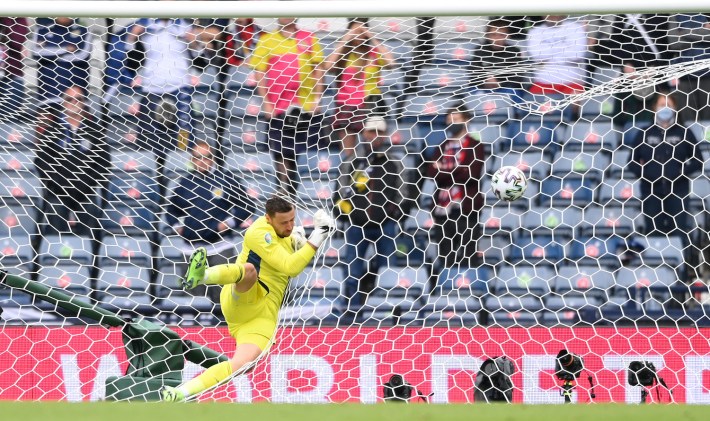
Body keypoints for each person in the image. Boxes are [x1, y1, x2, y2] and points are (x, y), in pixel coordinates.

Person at [161, 197, 335, 402]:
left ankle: (180, 393)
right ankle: (203, 275)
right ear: (268, 219)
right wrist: (319, 234)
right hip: (244, 296)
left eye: (292, 221)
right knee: (250, 271)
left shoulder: (290, 236)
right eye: (283, 222)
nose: (289, 226)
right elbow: (291, 267)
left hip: (261, 318)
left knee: (241, 365)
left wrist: (305, 239)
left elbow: (297, 254)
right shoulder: (258, 232)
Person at [165, 141, 256, 301]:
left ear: (212, 159)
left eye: (206, 157)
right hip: (190, 252)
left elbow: (248, 205)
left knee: (224, 300)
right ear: (192, 160)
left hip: (220, 249)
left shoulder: (225, 179)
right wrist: (178, 227)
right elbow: (171, 209)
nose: (202, 161)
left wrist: (228, 223)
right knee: (194, 303)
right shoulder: (184, 183)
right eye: (197, 157)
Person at [333, 116, 405, 319]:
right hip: (357, 226)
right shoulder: (351, 162)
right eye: (372, 131)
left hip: (385, 226)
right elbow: (339, 193)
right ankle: (352, 314)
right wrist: (349, 214)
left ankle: (388, 314)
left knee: (389, 272)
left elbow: (405, 192)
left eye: (380, 132)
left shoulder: (393, 163)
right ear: (364, 133)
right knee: (352, 273)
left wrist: (393, 213)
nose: (375, 136)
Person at [628, 94, 704, 277]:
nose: (665, 108)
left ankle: (682, 276)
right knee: (654, 232)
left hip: (677, 191)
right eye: (662, 104)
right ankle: (656, 275)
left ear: (675, 108)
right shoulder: (645, 132)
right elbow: (631, 162)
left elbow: (698, 160)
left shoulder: (683, 132)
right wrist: (649, 175)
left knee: (678, 232)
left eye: (669, 104)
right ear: (654, 108)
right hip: (651, 192)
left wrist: (680, 173)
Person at [249, 18, 325, 197]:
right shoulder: (267, 39)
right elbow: (259, 72)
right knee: (281, 150)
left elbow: (319, 69)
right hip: (278, 107)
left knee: (307, 150)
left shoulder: (308, 37)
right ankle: (285, 189)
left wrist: (317, 99)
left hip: (305, 106)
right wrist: (266, 102)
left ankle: (310, 192)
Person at [34, 85, 110, 238]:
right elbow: (41, 161)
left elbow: (104, 163)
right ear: (63, 103)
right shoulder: (52, 130)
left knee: (90, 212)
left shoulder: (95, 131)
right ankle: (56, 259)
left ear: (84, 103)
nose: (74, 102)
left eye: (78, 99)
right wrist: (58, 182)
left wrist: (85, 182)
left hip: (86, 192)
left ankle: (90, 255)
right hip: (58, 192)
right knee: (55, 211)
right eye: (69, 99)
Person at [427, 107, 485, 290]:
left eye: (456, 118)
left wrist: (443, 170)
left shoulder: (475, 146)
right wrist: (456, 171)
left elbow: (471, 174)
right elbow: (430, 172)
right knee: (445, 255)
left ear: (466, 120)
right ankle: (446, 292)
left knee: (468, 254)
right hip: (442, 210)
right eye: (449, 119)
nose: (452, 123)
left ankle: (470, 292)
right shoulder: (442, 146)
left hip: (465, 209)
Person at [322, 18, 394, 158]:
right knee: (348, 154)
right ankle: (351, 178)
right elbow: (328, 66)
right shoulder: (343, 54)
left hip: (370, 105)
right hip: (346, 106)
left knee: (371, 151)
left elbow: (391, 63)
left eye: (362, 32)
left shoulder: (374, 52)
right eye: (355, 32)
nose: (358, 35)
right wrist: (346, 39)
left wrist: (371, 36)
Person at [525, 15, 590, 95]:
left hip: (572, 82)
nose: (553, 14)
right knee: (532, 104)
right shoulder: (535, 32)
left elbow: (576, 55)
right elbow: (537, 56)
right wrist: (564, 46)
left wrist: (548, 50)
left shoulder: (576, 28)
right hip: (543, 83)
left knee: (576, 101)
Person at [33, 18, 91, 103]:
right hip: (48, 89)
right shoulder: (42, 30)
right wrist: (65, 49)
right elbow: (36, 52)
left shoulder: (84, 31)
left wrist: (50, 54)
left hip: (74, 88)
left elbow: (82, 55)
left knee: (76, 114)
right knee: (46, 115)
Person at [470, 19, 525, 91]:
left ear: (507, 36)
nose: (497, 39)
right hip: (483, 87)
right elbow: (474, 74)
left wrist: (499, 83)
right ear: (487, 36)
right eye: (493, 35)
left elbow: (518, 76)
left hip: (507, 88)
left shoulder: (514, 51)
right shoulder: (480, 51)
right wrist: (486, 80)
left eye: (501, 35)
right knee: (474, 92)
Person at [0, 18, 29, 120]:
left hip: (12, 75)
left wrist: (6, 18)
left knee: (9, 119)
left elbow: (17, 41)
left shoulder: (19, 19)